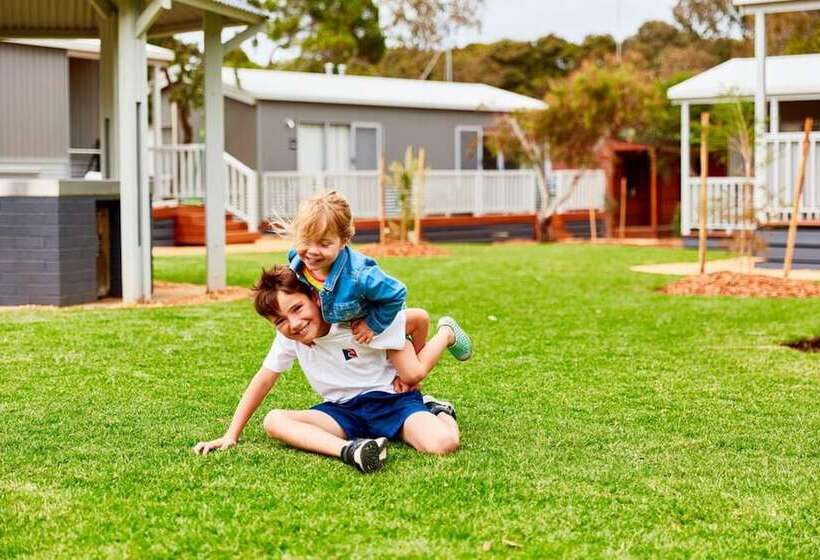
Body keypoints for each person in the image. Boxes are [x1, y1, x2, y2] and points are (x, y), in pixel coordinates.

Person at [193, 266, 473, 473]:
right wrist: (231, 435)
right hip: (342, 412)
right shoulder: (290, 339)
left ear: (315, 298)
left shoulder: (356, 322)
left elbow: (417, 318)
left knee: (443, 444)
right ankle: (351, 451)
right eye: (280, 321)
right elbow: (263, 380)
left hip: (392, 403)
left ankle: (439, 410)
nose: (293, 324)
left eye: (297, 308)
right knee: (274, 420)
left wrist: (410, 369)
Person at [286, 190, 471, 362]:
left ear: (343, 241)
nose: (312, 251)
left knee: (411, 374)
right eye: (305, 241)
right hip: (349, 323)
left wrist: (372, 325)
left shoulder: (360, 276)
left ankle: (446, 333)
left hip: (384, 316)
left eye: (324, 244)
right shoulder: (297, 260)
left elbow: (397, 293)